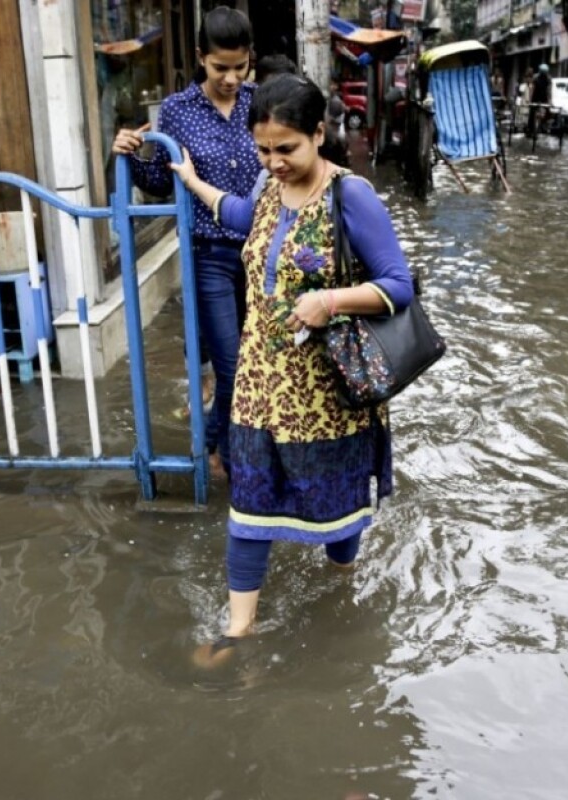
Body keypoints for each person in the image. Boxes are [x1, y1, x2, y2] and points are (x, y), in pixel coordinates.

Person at [171, 74, 414, 665]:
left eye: (287, 149)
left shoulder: (350, 195)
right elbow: (238, 215)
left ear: (319, 134)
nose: (274, 163)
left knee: (337, 508)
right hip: (258, 385)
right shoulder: (266, 190)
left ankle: (342, 588)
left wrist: (330, 300)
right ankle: (239, 628)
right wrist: (193, 182)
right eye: (263, 150)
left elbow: (399, 287)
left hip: (328, 391)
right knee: (248, 505)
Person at [111, 7, 259, 479]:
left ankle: (225, 447)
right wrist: (130, 156)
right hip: (209, 254)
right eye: (221, 68)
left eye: (240, 67)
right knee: (231, 364)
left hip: (260, 254)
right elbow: (160, 180)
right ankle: (225, 459)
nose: (232, 78)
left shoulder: (262, 101)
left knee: (259, 362)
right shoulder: (177, 109)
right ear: (201, 58)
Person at [527, 63, 551, 136]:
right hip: (535, 96)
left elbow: (549, 90)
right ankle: (529, 129)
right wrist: (530, 99)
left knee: (548, 111)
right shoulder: (535, 77)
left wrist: (550, 100)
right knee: (532, 113)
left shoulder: (548, 79)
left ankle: (544, 125)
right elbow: (532, 88)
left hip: (543, 97)